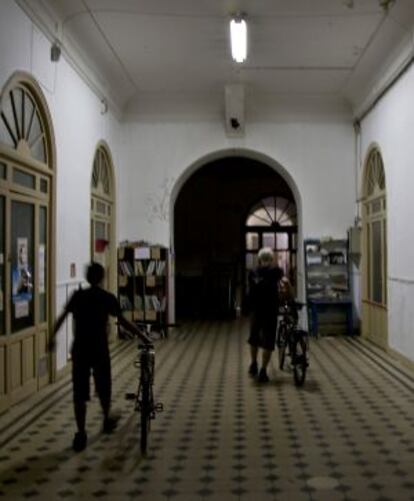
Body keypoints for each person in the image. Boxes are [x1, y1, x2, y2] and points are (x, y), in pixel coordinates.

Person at [49, 262, 151, 452]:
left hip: (80, 349)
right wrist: (143, 336)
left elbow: (62, 317)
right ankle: (106, 419)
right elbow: (123, 322)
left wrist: (52, 337)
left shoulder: (78, 296)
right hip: (99, 349)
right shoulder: (107, 298)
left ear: (87, 277)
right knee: (104, 385)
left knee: (79, 392)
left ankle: (80, 433)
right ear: (102, 277)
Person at [247, 247, 285, 383]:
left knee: (254, 338)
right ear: (271, 259)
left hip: (256, 310)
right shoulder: (276, 272)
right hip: (270, 311)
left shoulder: (253, 272)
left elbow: (250, 290)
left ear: (259, 259)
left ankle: (253, 364)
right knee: (268, 341)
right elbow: (283, 279)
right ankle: (263, 370)